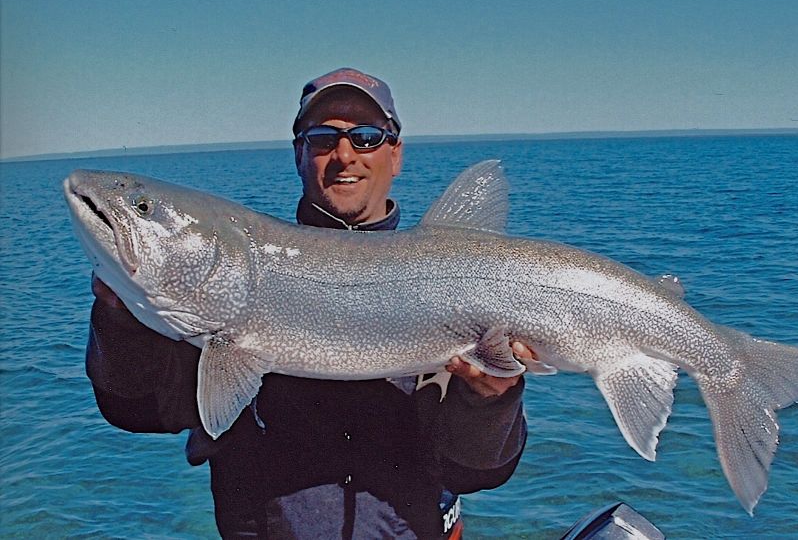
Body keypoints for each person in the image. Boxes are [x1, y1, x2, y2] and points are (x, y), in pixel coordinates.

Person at [86, 68, 533, 539]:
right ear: (299, 154)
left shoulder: (455, 290)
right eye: (322, 139)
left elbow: (477, 473)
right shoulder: (227, 287)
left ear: (395, 154)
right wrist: (122, 320)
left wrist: (491, 399)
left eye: (366, 137)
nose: (344, 156)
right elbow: (137, 411)